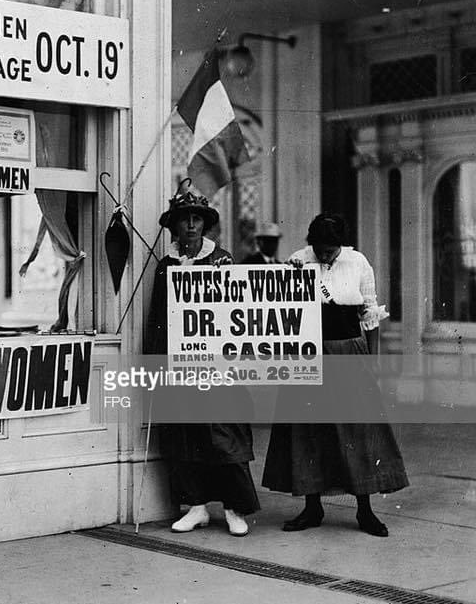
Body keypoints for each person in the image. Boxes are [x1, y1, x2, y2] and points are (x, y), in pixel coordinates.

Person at [262, 213, 408, 537]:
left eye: (330, 250)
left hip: (348, 352)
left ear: (340, 246)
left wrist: (372, 362)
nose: (324, 256)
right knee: (307, 430)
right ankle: (312, 507)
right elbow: (276, 306)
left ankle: (365, 511)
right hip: (308, 352)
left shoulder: (357, 262)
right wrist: (291, 280)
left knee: (357, 432)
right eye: (319, 249)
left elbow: (369, 313)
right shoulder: (298, 260)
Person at [146, 190, 259, 537]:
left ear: (205, 225)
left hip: (217, 365)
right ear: (175, 227)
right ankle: (196, 507)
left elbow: (238, 316)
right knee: (185, 433)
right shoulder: (166, 266)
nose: (192, 224)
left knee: (222, 434)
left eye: (197, 219)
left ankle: (233, 508)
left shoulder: (222, 261)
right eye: (185, 219)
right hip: (179, 365)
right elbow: (158, 319)